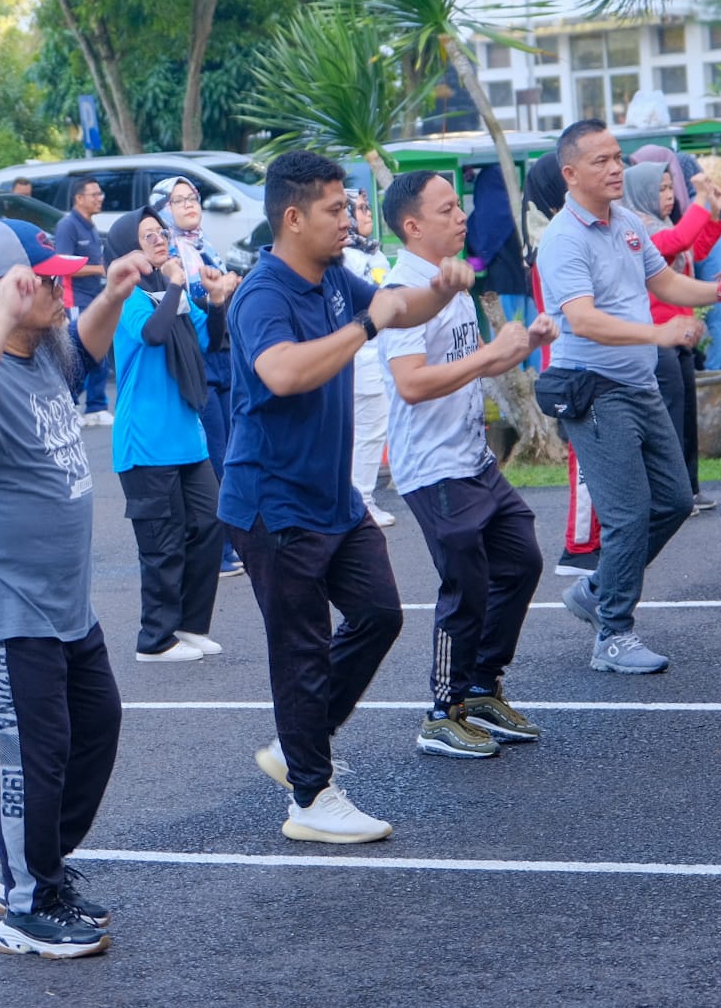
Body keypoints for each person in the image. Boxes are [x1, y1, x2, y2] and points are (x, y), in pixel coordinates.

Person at [220, 150, 475, 845]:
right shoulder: (263, 294)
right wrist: (364, 326)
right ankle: (310, 794)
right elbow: (280, 373)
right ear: (294, 217)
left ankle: (300, 737)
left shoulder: (337, 276)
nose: (349, 218)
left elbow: (399, 308)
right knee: (299, 649)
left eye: (349, 205)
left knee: (379, 614)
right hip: (274, 501)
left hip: (332, 495)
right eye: (335, 208)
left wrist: (443, 292)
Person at [0, 219, 150, 959]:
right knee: (33, 759)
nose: (64, 290)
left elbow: (83, 347)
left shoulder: (44, 352)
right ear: (7, 293)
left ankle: (35, 869)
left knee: (98, 725)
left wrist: (112, 293)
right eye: (48, 280)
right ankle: (25, 907)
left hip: (61, 601)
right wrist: (1, 318)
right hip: (2, 599)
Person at [536, 120, 721, 674]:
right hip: (594, 390)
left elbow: (663, 285)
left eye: (617, 157)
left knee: (676, 500)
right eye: (601, 161)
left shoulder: (628, 224)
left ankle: (596, 591)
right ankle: (612, 635)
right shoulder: (563, 238)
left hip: (637, 384)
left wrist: (718, 290)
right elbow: (583, 320)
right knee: (628, 513)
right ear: (571, 174)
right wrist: (659, 334)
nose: (616, 168)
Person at [378, 171, 558, 758]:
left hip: (471, 456)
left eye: (460, 206)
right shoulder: (402, 293)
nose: (462, 216)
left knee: (520, 560)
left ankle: (482, 685)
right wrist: (491, 354)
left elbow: (467, 363)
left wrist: (519, 344)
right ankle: (442, 710)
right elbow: (410, 384)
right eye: (448, 208)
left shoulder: (451, 281)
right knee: (468, 581)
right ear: (412, 226)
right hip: (432, 468)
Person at [104, 207, 222, 663]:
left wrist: (213, 302)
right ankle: (155, 639)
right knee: (163, 543)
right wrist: (176, 284)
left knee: (210, 523)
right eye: (146, 236)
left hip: (186, 437)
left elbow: (204, 344)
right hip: (145, 442)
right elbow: (153, 335)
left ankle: (190, 626)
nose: (159, 241)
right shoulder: (125, 297)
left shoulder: (169, 293)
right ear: (125, 250)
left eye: (160, 233)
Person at [147, 175, 243, 577]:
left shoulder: (203, 245)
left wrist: (227, 290)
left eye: (193, 198)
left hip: (222, 356)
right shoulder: (169, 254)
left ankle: (231, 541)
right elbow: (181, 307)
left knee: (232, 449)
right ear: (163, 207)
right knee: (216, 453)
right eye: (179, 199)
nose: (190, 205)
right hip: (198, 361)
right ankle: (219, 550)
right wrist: (215, 294)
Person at [619, 158, 721, 514]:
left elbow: (692, 250)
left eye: (670, 188)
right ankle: (670, 493)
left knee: (685, 414)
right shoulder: (640, 230)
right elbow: (679, 240)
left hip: (680, 332)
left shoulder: (658, 223)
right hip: (657, 334)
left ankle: (689, 489)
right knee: (670, 414)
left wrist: (711, 213)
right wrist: (699, 199)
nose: (668, 196)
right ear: (643, 192)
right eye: (661, 189)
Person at [524, 153, 601, 579]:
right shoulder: (556, 238)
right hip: (575, 366)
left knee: (595, 455)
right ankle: (580, 544)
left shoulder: (561, 233)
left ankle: (592, 539)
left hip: (587, 361)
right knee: (585, 457)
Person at [340, 187, 396, 527]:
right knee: (364, 432)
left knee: (370, 430)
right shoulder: (345, 257)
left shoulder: (375, 254)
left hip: (379, 356)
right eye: (359, 209)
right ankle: (361, 499)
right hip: (358, 356)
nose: (367, 214)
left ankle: (358, 498)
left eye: (366, 207)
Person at [467, 166, 540, 372]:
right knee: (533, 342)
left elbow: (476, 258)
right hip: (530, 288)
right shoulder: (522, 212)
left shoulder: (479, 218)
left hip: (500, 289)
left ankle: (512, 399)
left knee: (506, 345)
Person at [54, 175, 112, 426]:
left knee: (101, 351)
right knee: (78, 353)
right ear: (79, 198)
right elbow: (63, 264)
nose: (100, 198)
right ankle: (70, 403)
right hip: (75, 299)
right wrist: (99, 269)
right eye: (94, 194)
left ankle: (96, 407)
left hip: (95, 297)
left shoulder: (89, 225)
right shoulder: (68, 226)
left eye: (100, 194)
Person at [682, 153, 721, 372]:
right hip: (720, 248)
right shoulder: (697, 198)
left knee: (717, 317)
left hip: (715, 252)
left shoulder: (694, 200)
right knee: (719, 317)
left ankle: (717, 369)